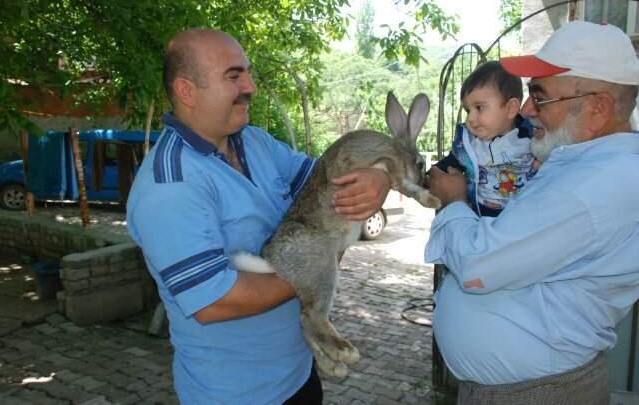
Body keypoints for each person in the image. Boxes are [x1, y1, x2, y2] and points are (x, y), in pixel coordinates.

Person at [126, 29, 390, 404]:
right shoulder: (170, 184)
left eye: (247, 73)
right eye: (233, 76)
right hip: (237, 394)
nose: (250, 85)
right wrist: (317, 266)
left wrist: (379, 176)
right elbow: (214, 301)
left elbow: (331, 184)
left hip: (298, 375)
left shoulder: (255, 141)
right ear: (187, 91)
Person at [425, 20, 639, 404]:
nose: (525, 110)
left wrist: (454, 200)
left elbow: (477, 267)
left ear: (597, 108)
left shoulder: (594, 186)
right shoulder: (584, 167)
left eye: (539, 97)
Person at [435, 60, 536, 217]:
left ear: (511, 109)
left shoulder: (535, 142)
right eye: (468, 110)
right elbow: (440, 172)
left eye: (479, 107)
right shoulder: (468, 146)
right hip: (476, 221)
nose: (471, 118)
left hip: (521, 225)